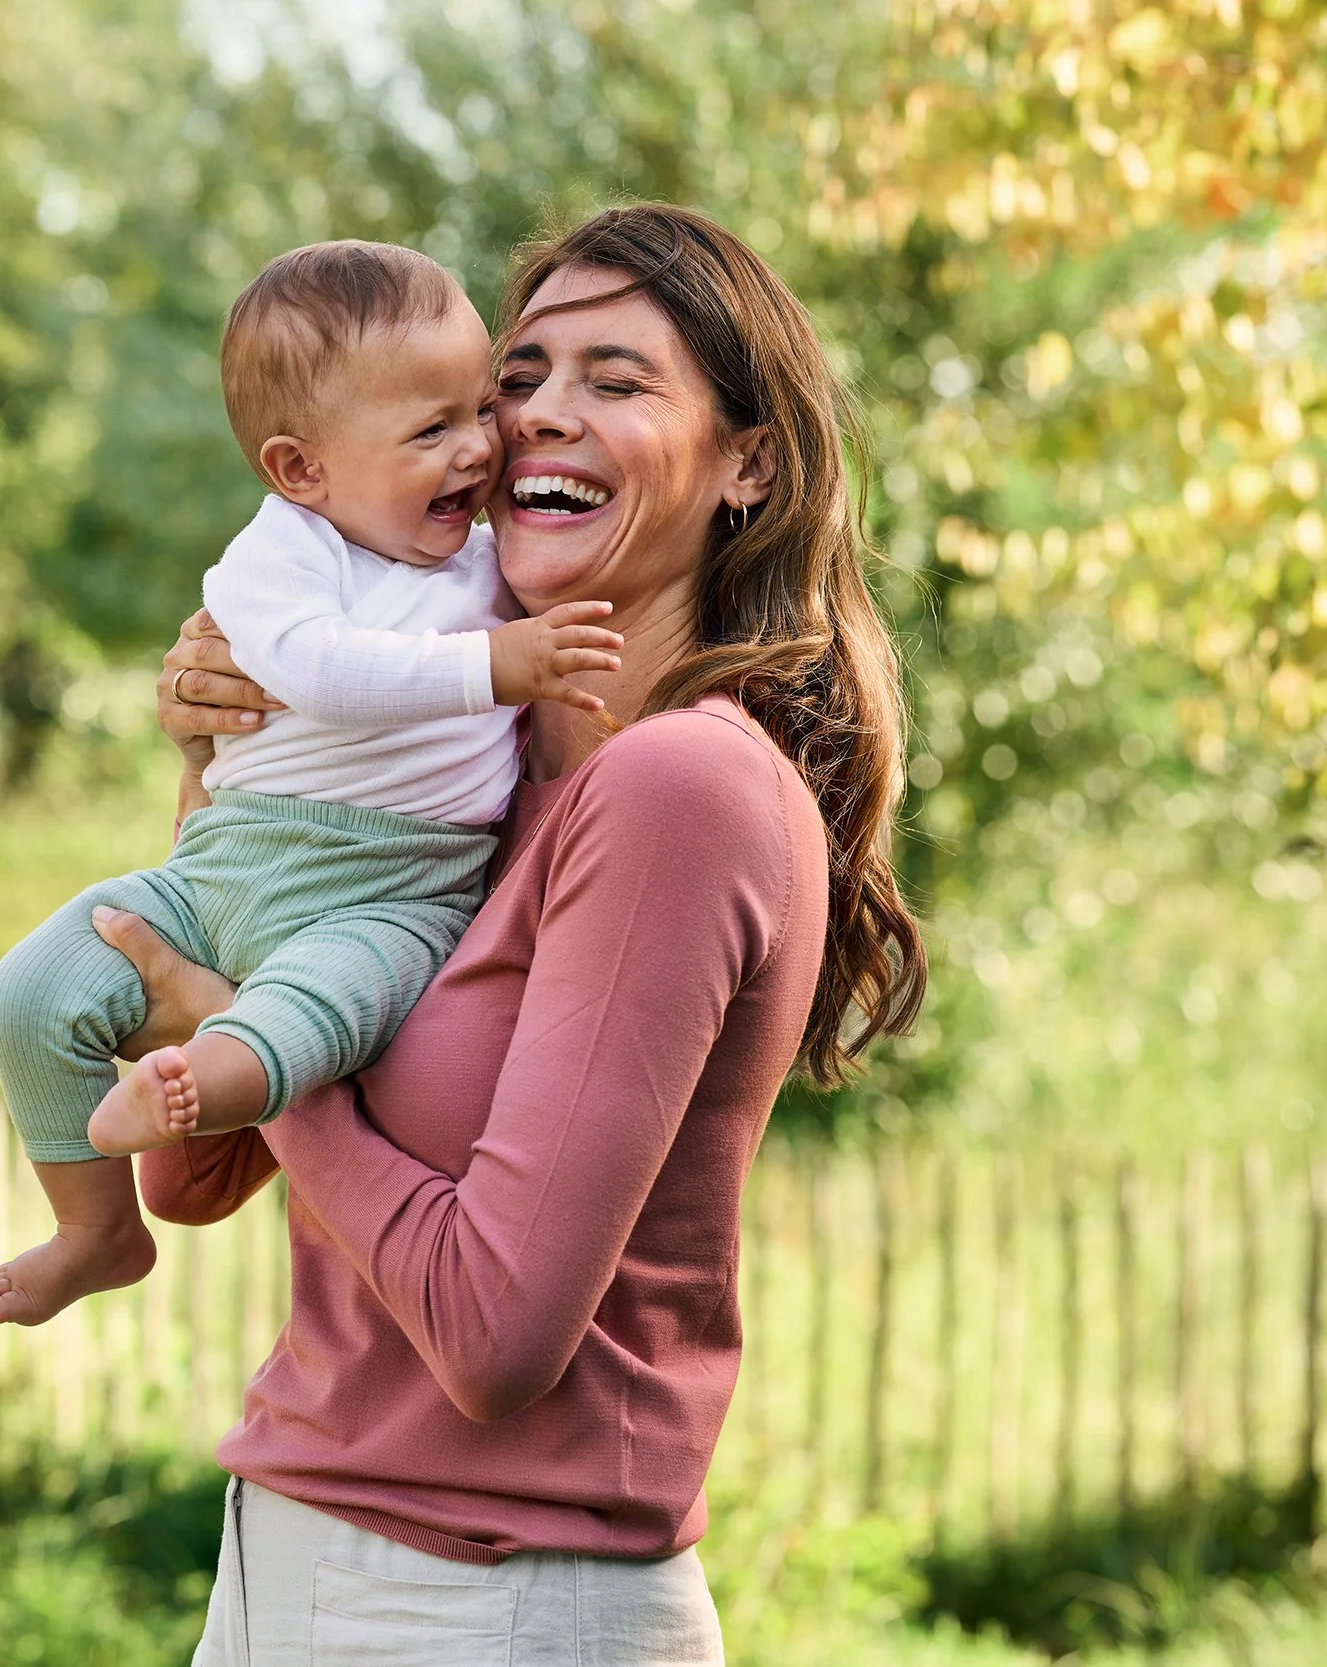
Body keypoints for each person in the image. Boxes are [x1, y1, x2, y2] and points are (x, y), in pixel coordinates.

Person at [96, 205, 927, 1663]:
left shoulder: (678, 789)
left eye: (617, 378)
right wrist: (233, 783)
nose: (537, 413)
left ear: (748, 463)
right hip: (289, 1566)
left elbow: (493, 1335)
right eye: (519, 376)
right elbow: (189, 1171)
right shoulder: (469, 776)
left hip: (483, 1602)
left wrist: (235, 1030)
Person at [0, 240, 626, 1327]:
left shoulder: (497, 565)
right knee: (28, 990)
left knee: (310, 1010)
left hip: (395, 888)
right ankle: (94, 1228)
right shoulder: (282, 555)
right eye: (433, 429)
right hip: (225, 865)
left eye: (480, 408)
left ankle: (206, 1076)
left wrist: (514, 652)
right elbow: (324, 673)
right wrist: (495, 665)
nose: (481, 446)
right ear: (301, 470)